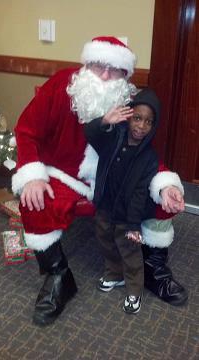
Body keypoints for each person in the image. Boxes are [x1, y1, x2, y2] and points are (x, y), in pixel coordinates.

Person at [12, 36, 187, 326]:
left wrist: (166, 184)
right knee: (36, 199)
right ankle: (59, 276)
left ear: (125, 76)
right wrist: (31, 174)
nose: (105, 76)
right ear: (86, 64)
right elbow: (27, 130)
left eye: (114, 69)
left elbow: (146, 153)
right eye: (97, 66)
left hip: (116, 178)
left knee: (164, 197)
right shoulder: (61, 86)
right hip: (66, 175)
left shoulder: (130, 103)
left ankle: (154, 268)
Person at [84, 88, 175, 314]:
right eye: (137, 118)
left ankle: (135, 290)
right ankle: (115, 274)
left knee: (130, 252)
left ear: (153, 126)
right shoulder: (114, 137)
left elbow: (139, 194)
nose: (141, 126)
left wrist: (134, 225)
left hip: (127, 215)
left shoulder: (149, 157)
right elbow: (90, 134)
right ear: (129, 116)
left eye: (148, 122)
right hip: (105, 206)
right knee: (106, 242)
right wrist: (105, 120)